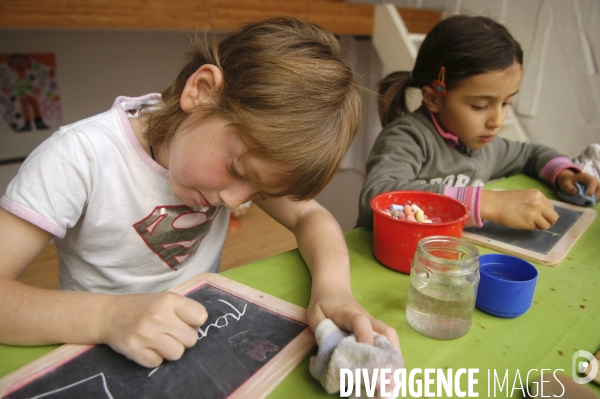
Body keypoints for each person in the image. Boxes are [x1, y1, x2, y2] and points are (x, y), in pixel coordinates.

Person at [0, 17, 399, 368]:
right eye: (236, 170)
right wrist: (108, 317)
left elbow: (311, 216)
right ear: (202, 90)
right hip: (98, 345)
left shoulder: (245, 157)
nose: (235, 200)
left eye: (257, 189)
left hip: (198, 337)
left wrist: (333, 292)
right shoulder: (78, 157)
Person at [358, 15, 600, 230]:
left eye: (506, 103)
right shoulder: (408, 137)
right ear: (433, 98)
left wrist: (565, 174)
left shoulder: (486, 146)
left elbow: (531, 154)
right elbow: (376, 200)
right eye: (480, 106)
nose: (497, 120)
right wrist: (483, 202)